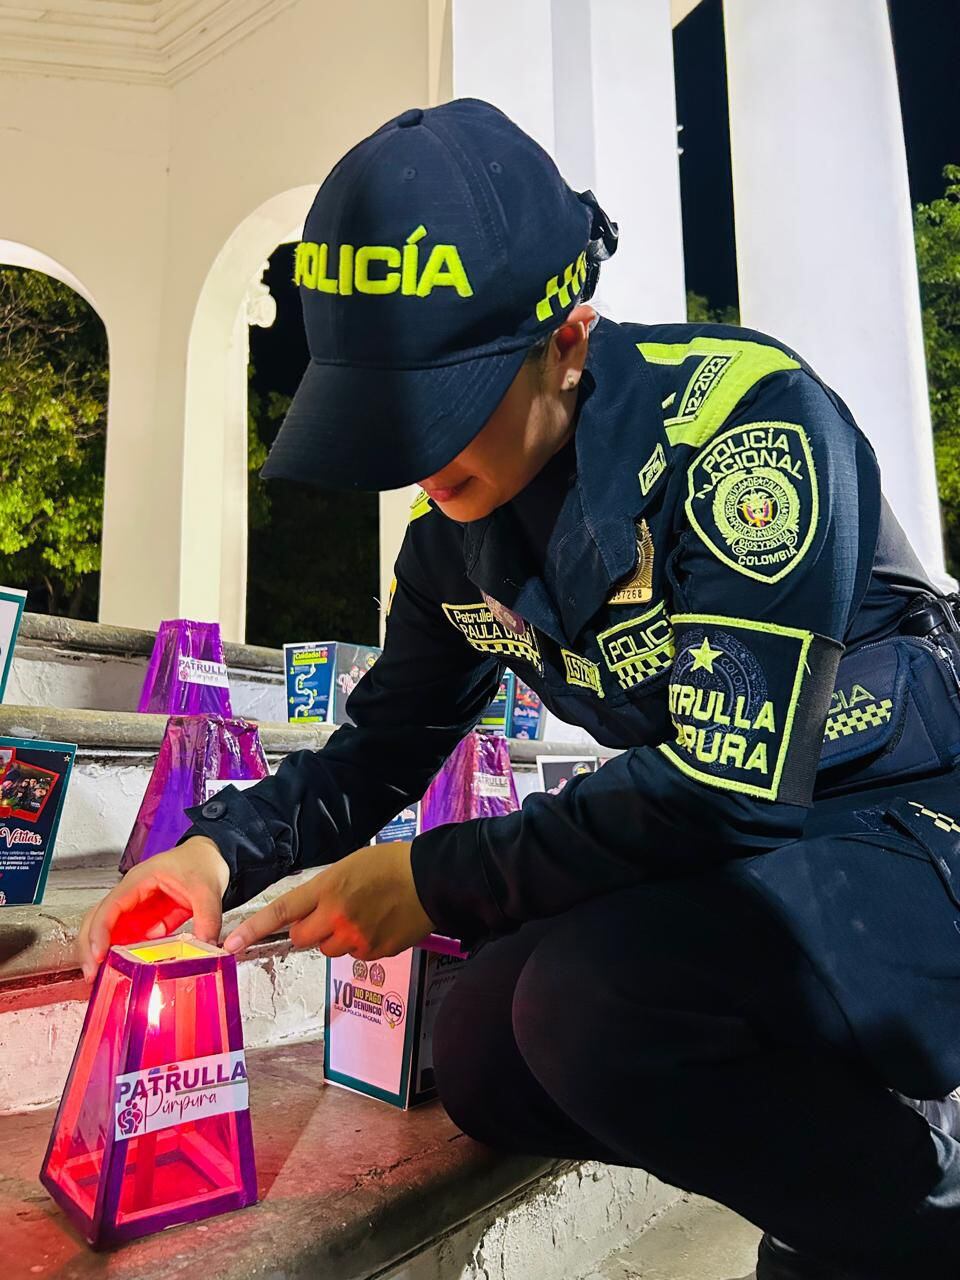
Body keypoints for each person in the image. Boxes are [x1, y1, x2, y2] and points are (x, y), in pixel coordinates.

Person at [78, 100, 960, 1278]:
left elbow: (725, 788)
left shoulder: (745, 428)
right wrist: (215, 853)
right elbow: (386, 740)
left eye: (446, 403)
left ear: (569, 338)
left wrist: (432, 875)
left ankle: (920, 1206)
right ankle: (842, 1166)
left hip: (907, 823)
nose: (414, 458)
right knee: (486, 1048)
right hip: (747, 858)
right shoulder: (457, 532)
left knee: (598, 1013)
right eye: (381, 413)